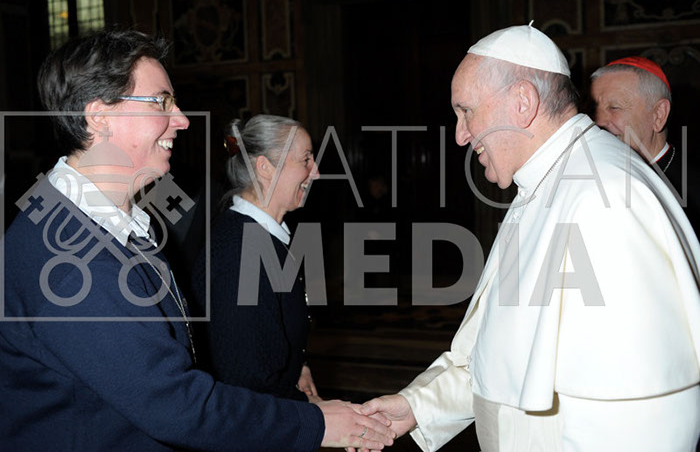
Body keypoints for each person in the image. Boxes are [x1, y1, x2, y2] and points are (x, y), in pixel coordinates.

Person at [0, 29, 395, 451]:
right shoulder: (70, 260)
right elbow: (177, 406)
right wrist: (314, 423)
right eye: (161, 102)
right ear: (99, 117)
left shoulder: (99, 222)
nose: (182, 119)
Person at [357, 24, 700, 452]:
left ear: (522, 103)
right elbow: (504, 354)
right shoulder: (548, 181)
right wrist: (418, 407)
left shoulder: (605, 198)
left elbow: (638, 423)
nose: (460, 135)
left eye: (466, 111)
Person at [191, 115, 320, 402]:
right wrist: (312, 412)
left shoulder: (261, 236)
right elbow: (247, 383)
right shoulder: (241, 252)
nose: (316, 173)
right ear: (265, 168)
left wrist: (296, 366)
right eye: (306, 160)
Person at [590, 56, 699, 229]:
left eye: (614, 107)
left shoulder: (692, 191)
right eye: (594, 108)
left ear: (658, 114)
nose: (598, 121)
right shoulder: (591, 174)